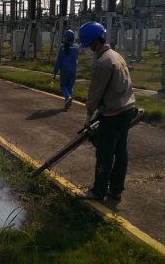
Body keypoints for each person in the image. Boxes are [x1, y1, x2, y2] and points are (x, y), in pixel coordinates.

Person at [78, 21, 135, 201]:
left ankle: (98, 191)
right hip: (126, 109)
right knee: (120, 152)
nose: (87, 49)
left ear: (96, 43)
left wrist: (89, 113)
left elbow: (95, 92)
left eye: (88, 46)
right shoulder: (116, 55)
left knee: (104, 152)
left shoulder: (102, 62)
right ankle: (116, 189)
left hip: (113, 114)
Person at [53, 30, 79, 109]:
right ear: (73, 38)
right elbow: (76, 59)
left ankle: (68, 97)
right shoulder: (76, 47)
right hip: (73, 70)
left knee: (63, 85)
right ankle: (68, 104)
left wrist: (55, 71)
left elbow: (59, 61)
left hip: (64, 70)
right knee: (70, 86)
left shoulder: (62, 48)